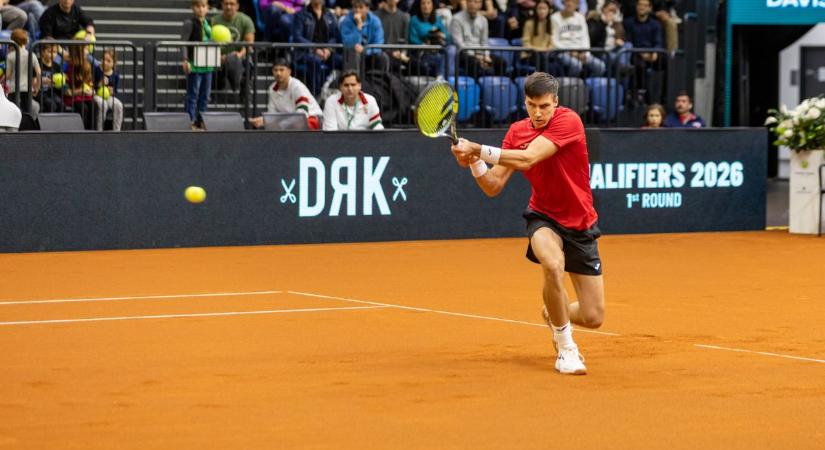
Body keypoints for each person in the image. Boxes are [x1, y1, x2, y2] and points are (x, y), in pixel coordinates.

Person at [450, 72, 604, 375]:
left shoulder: (569, 121)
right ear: (525, 102)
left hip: (580, 222)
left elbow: (528, 159)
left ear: (555, 102)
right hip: (543, 217)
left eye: (544, 106)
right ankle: (566, 348)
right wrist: (475, 164)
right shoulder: (516, 131)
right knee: (552, 264)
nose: (537, 113)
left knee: (593, 315)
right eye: (532, 105)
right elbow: (494, 185)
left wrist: (478, 149)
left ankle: (554, 312)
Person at [249, 58, 323, 129]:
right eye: (275, 70)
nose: (278, 73)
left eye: (282, 70)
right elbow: (272, 114)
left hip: (313, 118)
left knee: (296, 124)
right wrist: (263, 120)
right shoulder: (272, 89)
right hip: (292, 121)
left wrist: (283, 124)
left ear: (289, 71)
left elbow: (302, 114)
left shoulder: (297, 87)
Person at [291, 0, 342, 95]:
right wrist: (315, 49)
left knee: (341, 60)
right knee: (316, 61)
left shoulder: (329, 15)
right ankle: (316, 95)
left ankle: (336, 91)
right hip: (305, 52)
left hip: (326, 52)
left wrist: (328, 49)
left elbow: (334, 36)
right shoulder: (300, 15)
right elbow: (297, 37)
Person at [181, 0, 216, 130]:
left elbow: (214, 39)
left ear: (207, 8)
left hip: (208, 64)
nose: (200, 9)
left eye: (203, 6)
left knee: (205, 96)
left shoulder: (210, 22)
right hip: (195, 63)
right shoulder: (189, 23)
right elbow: (183, 43)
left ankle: (201, 121)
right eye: (197, 6)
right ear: (192, 8)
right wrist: (185, 60)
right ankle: (190, 120)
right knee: (193, 94)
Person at [210, 0, 255, 101]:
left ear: (237, 6)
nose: (229, 6)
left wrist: (239, 55)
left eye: (232, 4)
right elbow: (208, 42)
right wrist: (218, 56)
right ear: (221, 5)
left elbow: (250, 44)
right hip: (219, 58)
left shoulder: (246, 20)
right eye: (226, 4)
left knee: (248, 62)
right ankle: (211, 92)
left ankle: (244, 92)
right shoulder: (214, 21)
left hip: (239, 58)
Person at [450, 0, 506, 77]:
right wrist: (477, 56)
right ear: (466, 3)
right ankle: (477, 87)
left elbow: (484, 42)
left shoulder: (483, 20)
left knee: (501, 62)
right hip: (463, 53)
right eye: (470, 1)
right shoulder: (456, 19)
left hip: (480, 53)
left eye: (476, 2)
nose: (472, 4)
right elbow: (459, 44)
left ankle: (497, 86)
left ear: (480, 5)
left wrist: (486, 56)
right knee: (475, 63)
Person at [551, 0, 605, 77]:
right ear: (563, 3)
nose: (570, 4)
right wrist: (570, 52)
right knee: (577, 65)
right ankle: (569, 87)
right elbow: (554, 40)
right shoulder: (554, 17)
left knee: (600, 66)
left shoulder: (580, 17)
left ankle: (587, 86)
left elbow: (585, 38)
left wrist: (586, 53)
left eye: (573, 2)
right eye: (568, 1)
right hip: (562, 52)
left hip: (581, 52)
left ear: (577, 5)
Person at [340, 0, 386, 71]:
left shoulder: (375, 21)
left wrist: (365, 51)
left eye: (361, 7)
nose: (357, 10)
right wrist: (358, 28)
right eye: (355, 7)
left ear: (367, 9)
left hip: (370, 55)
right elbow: (347, 43)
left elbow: (379, 44)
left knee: (383, 57)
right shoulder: (347, 21)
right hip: (353, 55)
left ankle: (380, 81)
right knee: (354, 55)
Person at [520, 0, 563, 75]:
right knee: (542, 57)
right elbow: (526, 44)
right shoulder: (529, 23)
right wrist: (541, 49)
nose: (542, 11)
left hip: (546, 54)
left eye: (544, 8)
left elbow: (552, 43)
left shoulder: (551, 24)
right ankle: (544, 84)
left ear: (549, 10)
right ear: (535, 10)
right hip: (530, 55)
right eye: (539, 8)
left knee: (556, 61)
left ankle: (558, 84)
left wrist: (547, 49)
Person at [408, 0, 449, 76]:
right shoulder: (414, 19)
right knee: (440, 59)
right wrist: (427, 45)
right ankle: (441, 80)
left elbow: (447, 36)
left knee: (451, 50)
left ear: (432, 5)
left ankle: (444, 80)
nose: (426, 6)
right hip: (422, 52)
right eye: (423, 3)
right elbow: (412, 39)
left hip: (438, 49)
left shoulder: (437, 19)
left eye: (428, 3)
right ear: (419, 6)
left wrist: (441, 35)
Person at [5, 29, 41, 117]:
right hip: (27, 88)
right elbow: (39, 73)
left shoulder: (10, 56)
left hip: (13, 89)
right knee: (27, 112)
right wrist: (37, 87)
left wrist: (3, 79)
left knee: (14, 112)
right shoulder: (31, 55)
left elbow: (8, 75)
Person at [375, 0, 411, 71]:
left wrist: (402, 54)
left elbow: (406, 40)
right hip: (381, 54)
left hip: (399, 55)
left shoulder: (404, 17)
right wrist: (390, 53)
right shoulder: (376, 16)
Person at [93, 49, 123, 131]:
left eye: (108, 61)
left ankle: (116, 130)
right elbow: (92, 86)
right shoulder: (97, 70)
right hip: (96, 95)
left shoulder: (115, 74)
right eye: (103, 59)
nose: (105, 62)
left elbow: (115, 90)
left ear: (114, 63)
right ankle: (99, 129)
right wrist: (99, 84)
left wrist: (112, 91)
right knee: (103, 104)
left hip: (108, 97)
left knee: (118, 105)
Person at [37, 42, 64, 113]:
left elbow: (58, 85)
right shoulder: (37, 63)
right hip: (39, 93)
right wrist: (42, 80)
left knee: (61, 104)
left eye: (55, 52)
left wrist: (59, 83)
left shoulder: (57, 66)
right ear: (42, 51)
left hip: (51, 93)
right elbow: (31, 80)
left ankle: (58, 124)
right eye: (49, 52)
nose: (52, 54)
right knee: (51, 105)